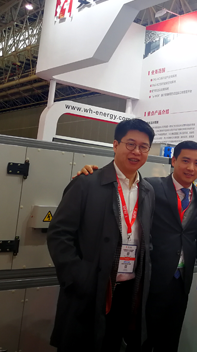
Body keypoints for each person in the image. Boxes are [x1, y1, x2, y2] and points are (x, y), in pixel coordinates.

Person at [76, 141, 197, 352]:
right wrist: (90, 172)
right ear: (174, 161)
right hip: (151, 279)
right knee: (141, 340)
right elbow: (121, 188)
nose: (191, 168)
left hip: (181, 281)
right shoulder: (150, 187)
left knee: (171, 338)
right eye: (185, 161)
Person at [47, 118, 156, 352]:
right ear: (115, 145)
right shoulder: (87, 183)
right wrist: (78, 277)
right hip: (92, 287)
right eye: (130, 144)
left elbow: (145, 238)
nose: (137, 151)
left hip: (129, 289)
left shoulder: (148, 191)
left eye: (143, 146)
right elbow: (59, 233)